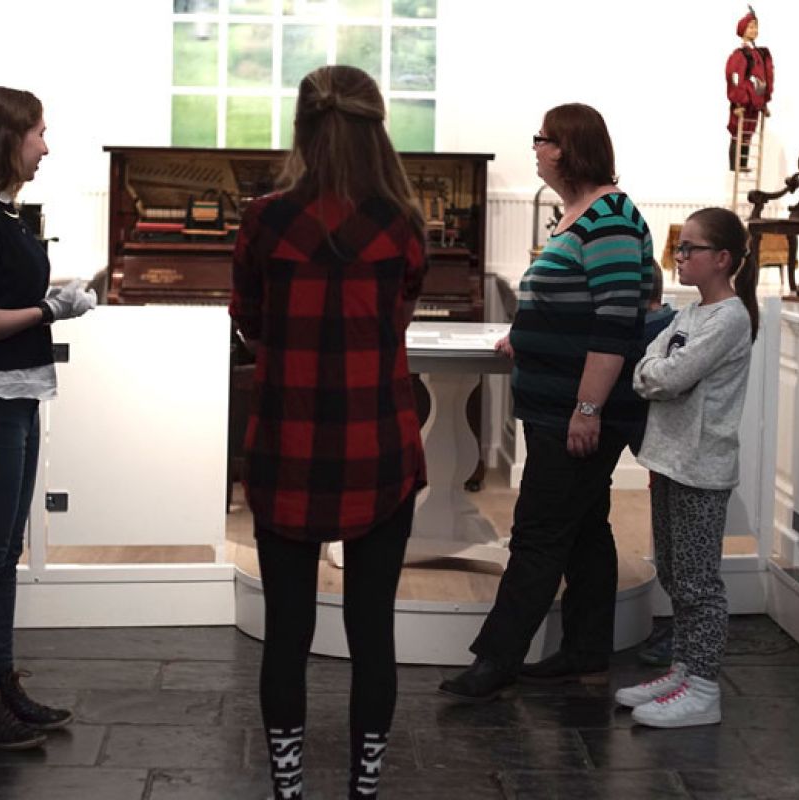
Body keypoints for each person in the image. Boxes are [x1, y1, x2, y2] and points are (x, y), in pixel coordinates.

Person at [229, 64, 426, 800]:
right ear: (376, 129)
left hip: (287, 446)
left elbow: (247, 318)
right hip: (379, 447)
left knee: (286, 634)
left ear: (302, 129)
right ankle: (362, 790)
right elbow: (399, 316)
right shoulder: (403, 223)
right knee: (372, 632)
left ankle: (289, 790)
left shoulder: (265, 218)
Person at [440, 103, 657, 701]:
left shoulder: (610, 215)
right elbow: (571, 298)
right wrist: (525, 332)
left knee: (536, 531)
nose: (534, 148)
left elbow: (616, 320)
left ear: (566, 147)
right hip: (553, 402)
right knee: (585, 526)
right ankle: (586, 654)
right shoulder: (575, 215)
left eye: (541, 139)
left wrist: (587, 409)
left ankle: (497, 659)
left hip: (579, 409)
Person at [0, 87, 95, 750]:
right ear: (7, 139)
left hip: (19, 392)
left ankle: (0, 680)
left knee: (5, 550)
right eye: (36, 132)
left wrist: (47, 300)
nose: (45, 145)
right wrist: (51, 311)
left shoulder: (0, 215)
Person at [615, 206, 758, 728]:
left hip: (700, 465)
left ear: (722, 259)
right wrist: (657, 371)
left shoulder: (731, 317)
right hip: (667, 457)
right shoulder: (689, 314)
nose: (678, 256)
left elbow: (670, 377)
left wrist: (658, 372)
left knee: (699, 582)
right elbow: (651, 366)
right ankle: (683, 668)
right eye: (679, 247)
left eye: (690, 249)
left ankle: (703, 688)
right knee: (674, 573)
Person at [726, 6, 774, 171]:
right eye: (751, 26)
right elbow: (734, 76)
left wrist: (764, 103)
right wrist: (738, 101)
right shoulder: (740, 55)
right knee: (738, 131)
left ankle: (743, 163)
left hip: (755, 100)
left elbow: (765, 77)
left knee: (749, 131)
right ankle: (735, 164)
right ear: (743, 29)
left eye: (756, 27)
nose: (754, 30)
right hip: (744, 99)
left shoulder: (760, 54)